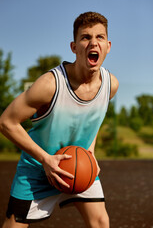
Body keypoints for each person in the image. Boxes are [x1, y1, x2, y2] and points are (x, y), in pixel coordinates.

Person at [0, 11, 119, 228]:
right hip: (38, 169)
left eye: (99, 37)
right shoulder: (50, 85)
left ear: (108, 46)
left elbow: (92, 121)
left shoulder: (110, 85)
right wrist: (45, 160)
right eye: (85, 37)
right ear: (74, 47)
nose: (93, 42)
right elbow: (6, 122)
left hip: (79, 166)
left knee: (101, 221)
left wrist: (90, 153)